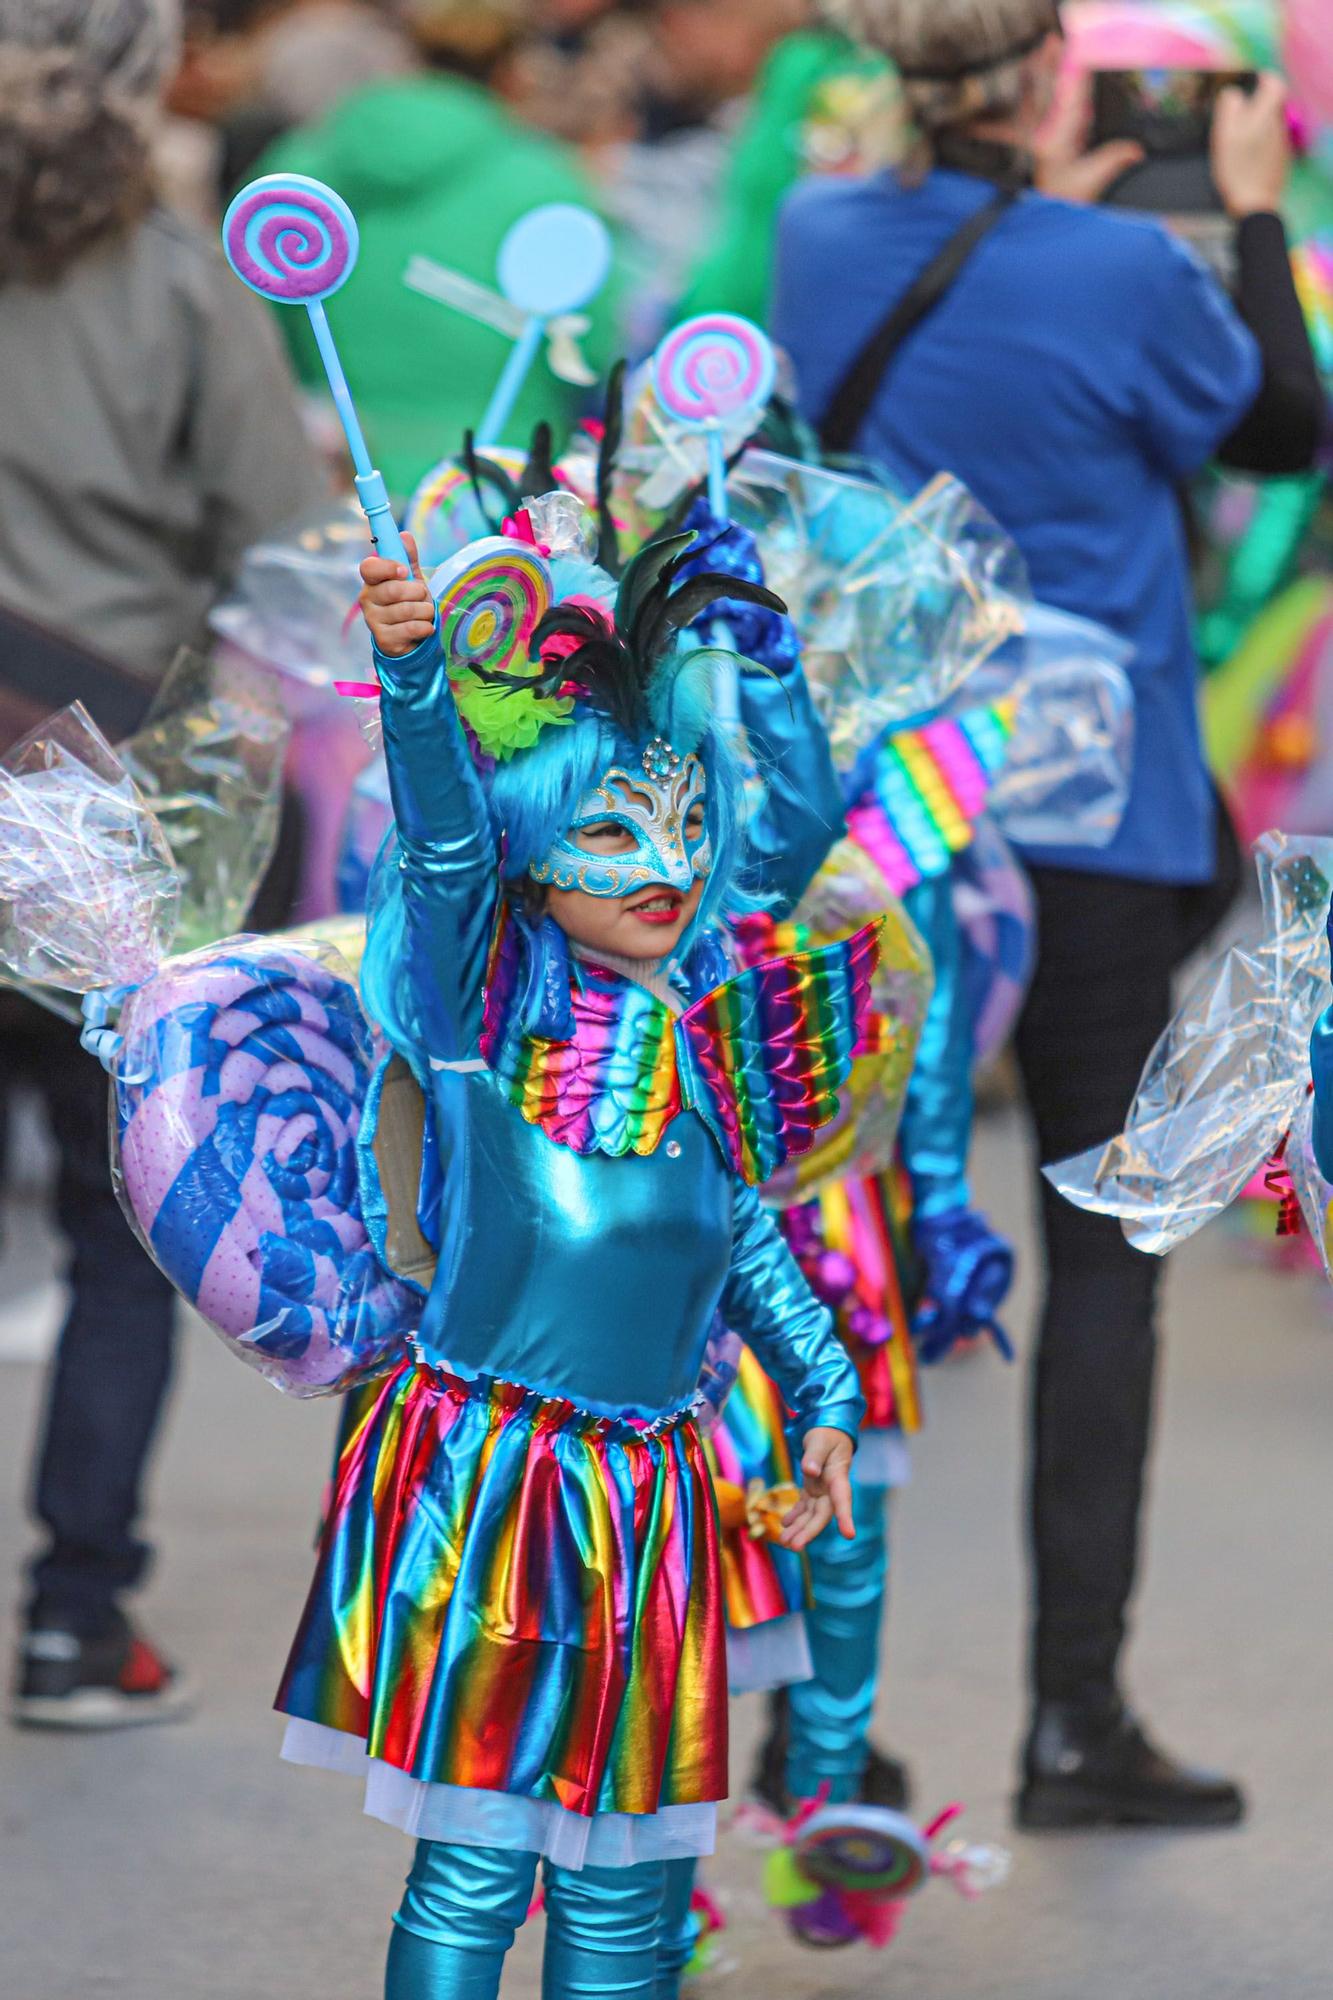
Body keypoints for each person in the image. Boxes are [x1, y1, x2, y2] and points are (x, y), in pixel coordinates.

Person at [770, 0, 1323, 1830]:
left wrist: (1023, 192)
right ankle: (1073, 1719)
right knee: (1102, 1257)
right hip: (1093, 819)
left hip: (890, 820)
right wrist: (1244, 212)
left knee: (834, 1248)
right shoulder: (1118, 269)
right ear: (1040, 79)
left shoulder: (815, 230)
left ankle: (807, 1714)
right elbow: (1280, 429)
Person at [264, 513, 865, 1997]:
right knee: (479, 1868)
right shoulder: (483, 1021)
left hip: (659, 1498)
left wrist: (830, 1404)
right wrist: (412, 681)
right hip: (498, 1484)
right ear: (533, 861)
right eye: (607, 831)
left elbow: (747, 1248)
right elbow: (445, 839)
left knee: (638, 1884)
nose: (660, 862)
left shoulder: (707, 1034)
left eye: (675, 822)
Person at [0, 0, 320, 1727]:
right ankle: (72, 1611)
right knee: (120, 1221)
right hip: (92, 781)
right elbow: (280, 553)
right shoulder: (178, 275)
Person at [254, 16, 622, 498]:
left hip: (334, 479)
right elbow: (591, 350)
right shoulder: (549, 183)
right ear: (513, 74)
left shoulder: (297, 171)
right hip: (500, 496)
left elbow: (257, 328)